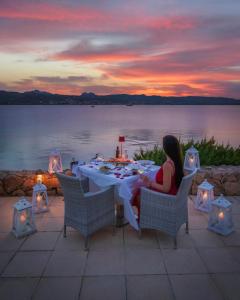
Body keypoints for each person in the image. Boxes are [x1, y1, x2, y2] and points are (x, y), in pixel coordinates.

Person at [132, 135, 184, 219]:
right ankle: (145, 214)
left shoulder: (168, 165)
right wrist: (141, 175)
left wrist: (150, 183)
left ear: (165, 149)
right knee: (141, 183)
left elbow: (166, 189)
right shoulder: (176, 161)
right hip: (174, 193)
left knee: (139, 190)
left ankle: (143, 217)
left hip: (167, 198)